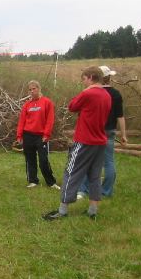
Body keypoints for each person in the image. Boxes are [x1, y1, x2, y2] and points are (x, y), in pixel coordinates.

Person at [43, 66, 111, 221]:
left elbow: (72, 106)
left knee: (71, 173)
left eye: (84, 79)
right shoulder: (107, 95)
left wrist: (86, 92)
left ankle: (62, 211)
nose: (83, 83)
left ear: (91, 77)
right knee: (94, 176)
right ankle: (92, 211)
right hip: (100, 142)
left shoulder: (89, 93)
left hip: (84, 141)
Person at [77, 65, 128, 199]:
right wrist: (123, 135)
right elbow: (120, 116)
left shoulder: (91, 92)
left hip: (92, 131)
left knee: (86, 160)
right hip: (109, 131)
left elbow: (81, 111)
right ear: (108, 77)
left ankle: (84, 189)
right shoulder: (115, 94)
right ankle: (106, 191)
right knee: (108, 162)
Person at [16, 80, 60, 190]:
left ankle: (51, 182)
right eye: (30, 90)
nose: (32, 91)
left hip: (41, 136)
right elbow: (22, 121)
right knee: (30, 159)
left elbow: (50, 120)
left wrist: (46, 134)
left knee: (43, 160)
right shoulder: (27, 105)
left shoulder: (47, 102)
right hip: (28, 135)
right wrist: (19, 135)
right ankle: (33, 180)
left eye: (34, 89)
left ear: (39, 88)